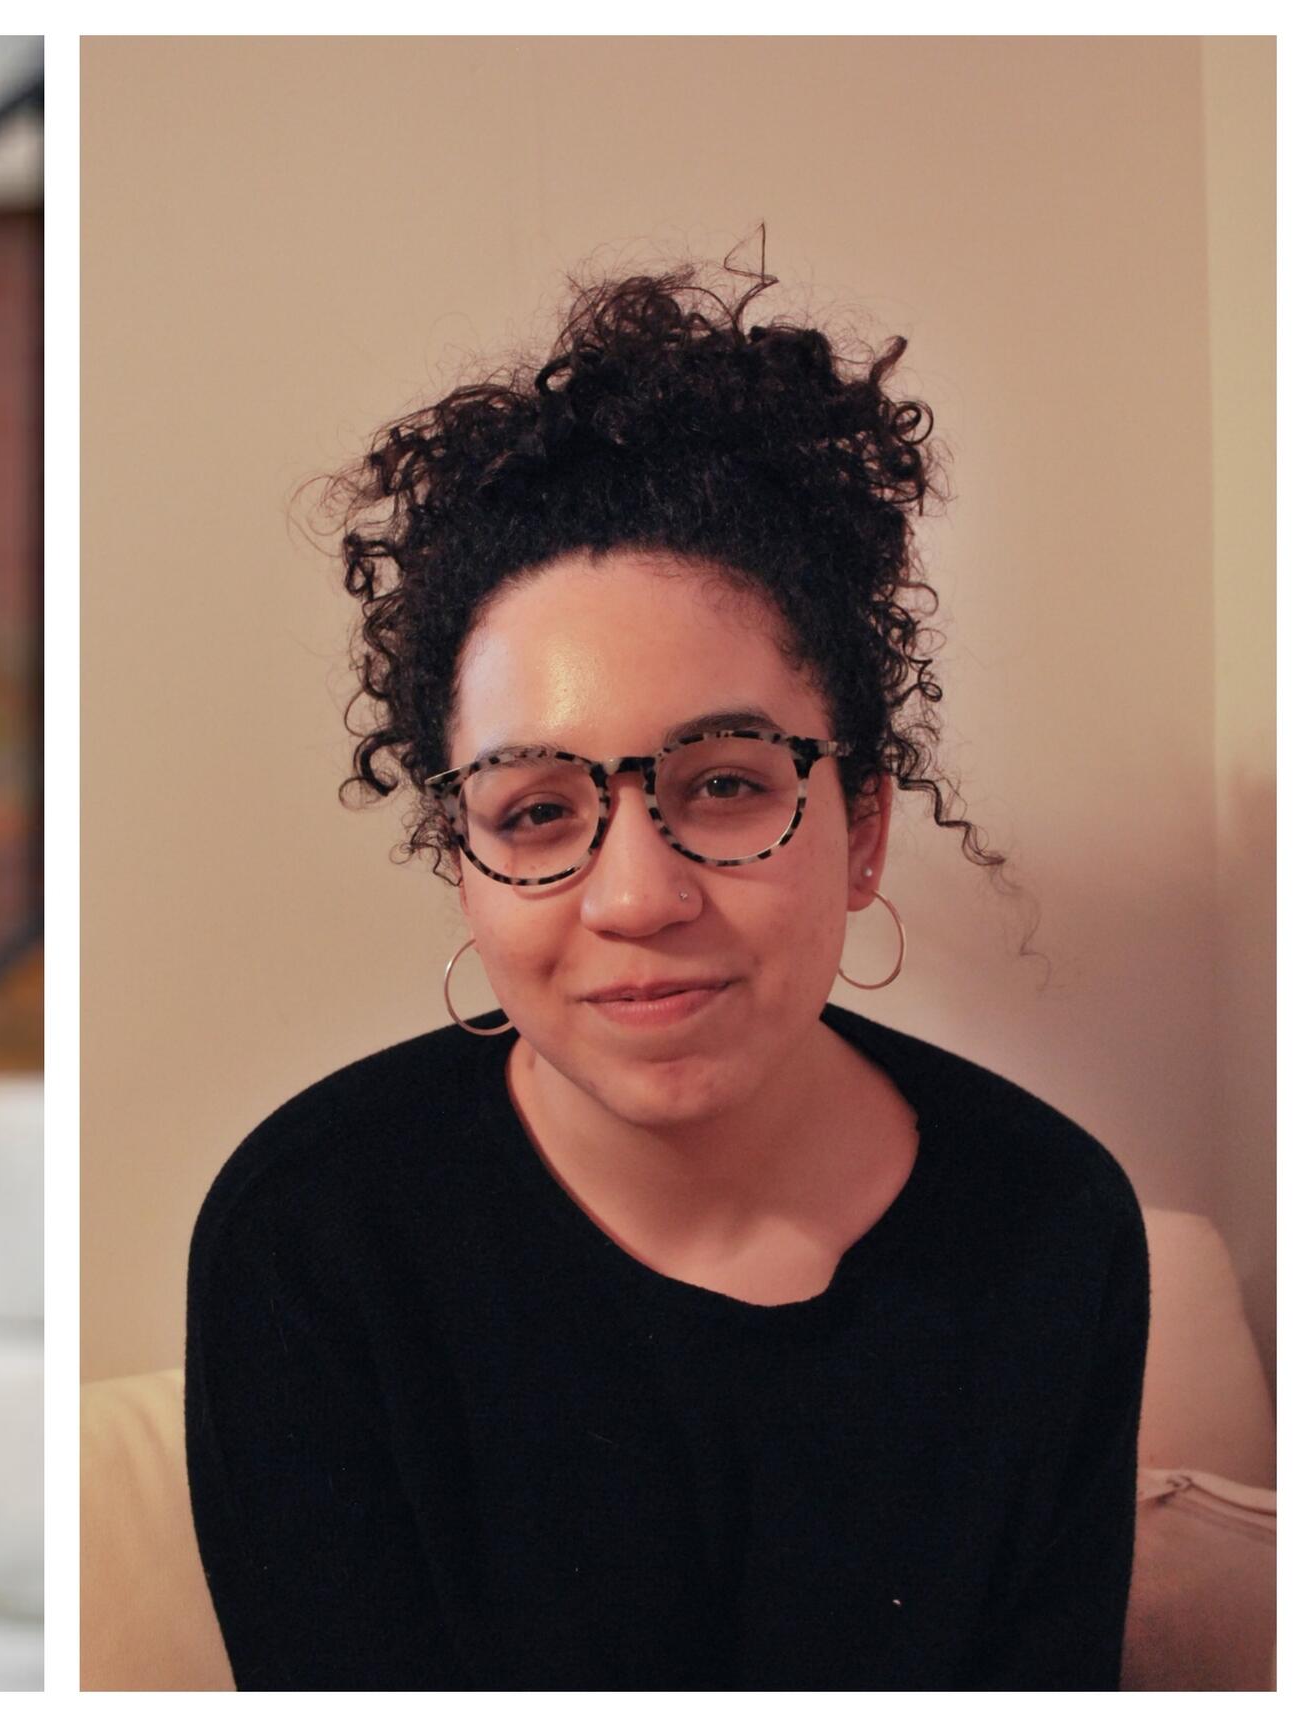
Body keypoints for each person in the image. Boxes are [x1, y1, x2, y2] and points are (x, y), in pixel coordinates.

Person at [183, 262, 1150, 1689]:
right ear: (463, 859)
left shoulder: (1051, 1228)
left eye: (725, 786)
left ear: (862, 828)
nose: (636, 896)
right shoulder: (315, 1242)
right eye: (536, 812)